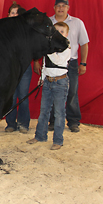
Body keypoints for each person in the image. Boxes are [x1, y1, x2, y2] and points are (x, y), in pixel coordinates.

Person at [33, 0, 89, 133]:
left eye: (64, 6)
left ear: (68, 8)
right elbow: (39, 43)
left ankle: (73, 121)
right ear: (54, 7)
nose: (61, 8)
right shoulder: (48, 22)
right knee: (51, 90)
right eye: (58, 5)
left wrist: (83, 63)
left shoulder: (77, 23)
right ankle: (53, 121)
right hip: (51, 62)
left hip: (71, 63)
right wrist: (36, 61)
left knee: (71, 91)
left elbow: (84, 43)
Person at [27, 22, 71, 150]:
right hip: (48, 81)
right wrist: (42, 78)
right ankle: (40, 136)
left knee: (59, 113)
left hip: (60, 82)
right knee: (43, 111)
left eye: (62, 31)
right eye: (57, 31)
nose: (59, 34)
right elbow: (45, 64)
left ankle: (58, 140)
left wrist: (48, 49)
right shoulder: (50, 46)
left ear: (66, 34)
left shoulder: (66, 46)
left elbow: (58, 61)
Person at [4, 2, 32, 134]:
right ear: (8, 15)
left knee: (23, 96)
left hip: (24, 67)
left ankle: (23, 124)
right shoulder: (2, 31)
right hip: (9, 68)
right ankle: (10, 123)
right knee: (10, 95)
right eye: (13, 12)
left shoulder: (27, 31)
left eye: (17, 13)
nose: (15, 15)